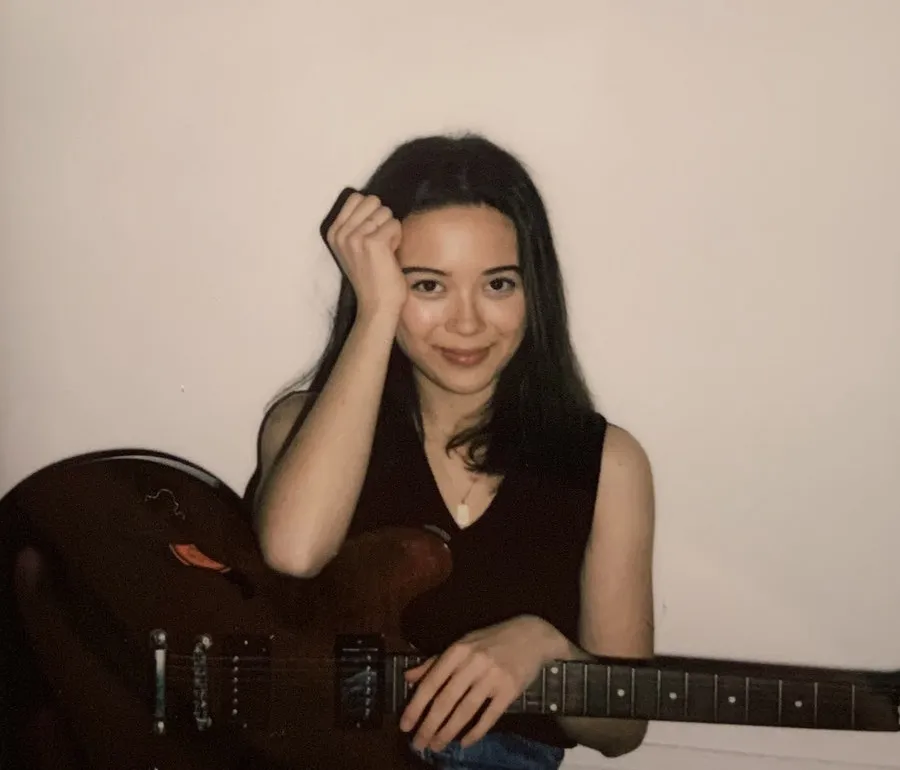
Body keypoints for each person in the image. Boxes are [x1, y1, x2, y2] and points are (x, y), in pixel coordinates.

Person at [248, 132, 656, 769]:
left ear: (535, 292)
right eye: (428, 286)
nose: (467, 324)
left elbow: (621, 730)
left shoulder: (608, 464)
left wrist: (548, 653)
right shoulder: (303, 426)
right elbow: (294, 552)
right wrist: (377, 312)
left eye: (498, 284)